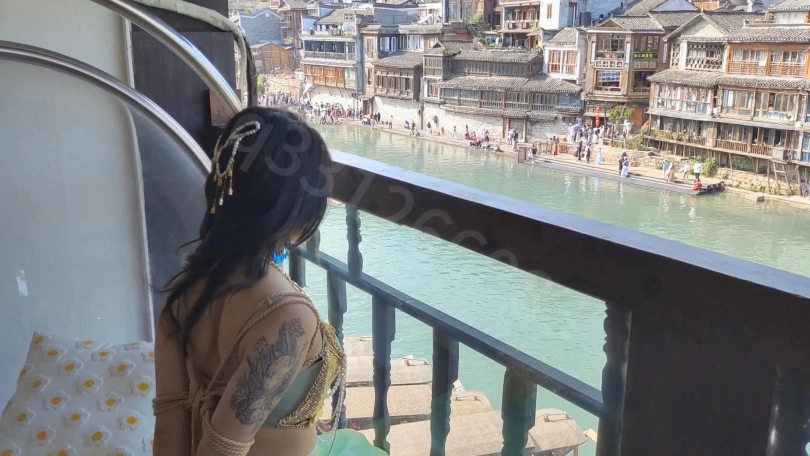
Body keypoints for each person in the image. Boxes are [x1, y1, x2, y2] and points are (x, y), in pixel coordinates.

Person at [152, 107, 386, 456]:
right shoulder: (287, 317)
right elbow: (222, 447)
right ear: (296, 204)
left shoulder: (184, 291)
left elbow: (169, 424)